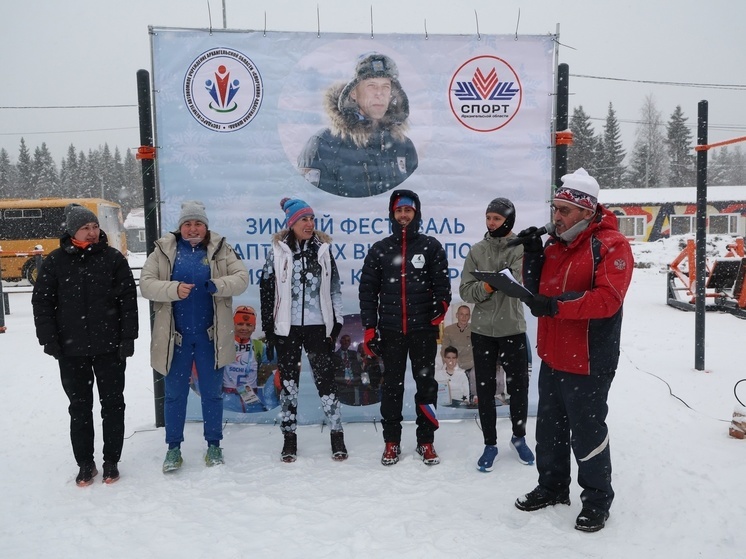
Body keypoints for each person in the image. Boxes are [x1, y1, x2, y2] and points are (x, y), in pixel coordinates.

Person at [513, 168, 634, 533]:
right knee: (549, 429)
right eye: (555, 209)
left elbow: (608, 299)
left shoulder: (611, 245)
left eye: (564, 210)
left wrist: (558, 305)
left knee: (587, 431)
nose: (557, 217)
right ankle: (552, 486)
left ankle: (597, 499)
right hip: (553, 354)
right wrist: (533, 254)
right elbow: (537, 294)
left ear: (586, 212)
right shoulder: (555, 245)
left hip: (588, 358)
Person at [32, 203, 138, 486]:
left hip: (110, 348)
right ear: (71, 231)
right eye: (85, 227)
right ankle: (85, 463)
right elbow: (42, 304)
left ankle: (111, 461)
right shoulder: (54, 262)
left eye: (94, 227)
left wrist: (128, 338)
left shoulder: (114, 259)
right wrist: (49, 340)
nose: (92, 232)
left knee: (113, 405)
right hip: (70, 350)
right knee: (79, 408)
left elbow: (128, 303)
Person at [139, 200, 249, 473]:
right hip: (175, 338)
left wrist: (218, 285)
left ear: (206, 226)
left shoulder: (221, 248)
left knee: (212, 394)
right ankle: (173, 448)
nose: (193, 228)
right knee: (175, 395)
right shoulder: (164, 250)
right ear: (180, 227)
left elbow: (242, 278)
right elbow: (146, 284)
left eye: (198, 223)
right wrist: (173, 289)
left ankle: (214, 445)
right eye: (187, 224)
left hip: (211, 338)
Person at [359, 189, 451, 466]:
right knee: (392, 389)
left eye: (408, 211)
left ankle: (426, 442)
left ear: (416, 213)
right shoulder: (380, 249)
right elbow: (368, 291)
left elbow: (442, 285)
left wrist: (441, 307)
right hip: (390, 331)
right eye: (399, 211)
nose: (403, 216)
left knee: (426, 386)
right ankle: (392, 442)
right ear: (392, 214)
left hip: (422, 331)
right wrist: (369, 329)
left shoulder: (430, 246)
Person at [259, 197, 347, 462]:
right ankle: (289, 440)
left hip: (318, 327)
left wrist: (337, 321)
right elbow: (266, 290)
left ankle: (337, 436)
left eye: (311, 219)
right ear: (292, 223)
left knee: (326, 384)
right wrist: (269, 329)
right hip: (287, 330)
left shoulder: (323, 249)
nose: (309, 224)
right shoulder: (277, 251)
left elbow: (335, 288)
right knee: (288, 386)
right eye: (303, 220)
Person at [460, 197, 535, 473]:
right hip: (481, 331)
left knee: (518, 389)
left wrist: (492, 280)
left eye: (497, 218)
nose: (491, 223)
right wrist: (489, 287)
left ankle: (519, 437)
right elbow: (466, 290)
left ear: (508, 221)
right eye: (488, 217)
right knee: (485, 389)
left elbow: (516, 281)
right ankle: (489, 444)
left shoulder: (520, 248)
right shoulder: (477, 250)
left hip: (513, 329)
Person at [298, 52, 418, 198]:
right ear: (353, 93)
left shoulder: (404, 147)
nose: (379, 93)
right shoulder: (323, 145)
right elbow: (313, 208)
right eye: (371, 85)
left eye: (386, 86)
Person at [223, 306, 272, 413]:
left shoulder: (259, 346)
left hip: (251, 400)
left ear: (254, 327)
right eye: (240, 324)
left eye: (249, 325)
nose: (244, 328)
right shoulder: (223, 344)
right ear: (233, 324)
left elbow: (280, 362)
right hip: (227, 400)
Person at [440, 304, 475, 400]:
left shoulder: (475, 330)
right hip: (455, 363)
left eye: (467, 315)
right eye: (461, 314)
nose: (464, 317)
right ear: (457, 315)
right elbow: (444, 349)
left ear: (469, 316)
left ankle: (473, 399)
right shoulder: (449, 330)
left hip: (472, 363)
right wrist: (448, 364)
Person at [333, 333, 364, 405]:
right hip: (341, 386)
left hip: (354, 385)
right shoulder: (334, 356)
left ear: (350, 343)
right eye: (344, 340)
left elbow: (360, 369)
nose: (346, 342)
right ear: (340, 341)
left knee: (355, 404)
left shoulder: (354, 354)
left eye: (348, 340)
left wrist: (362, 381)